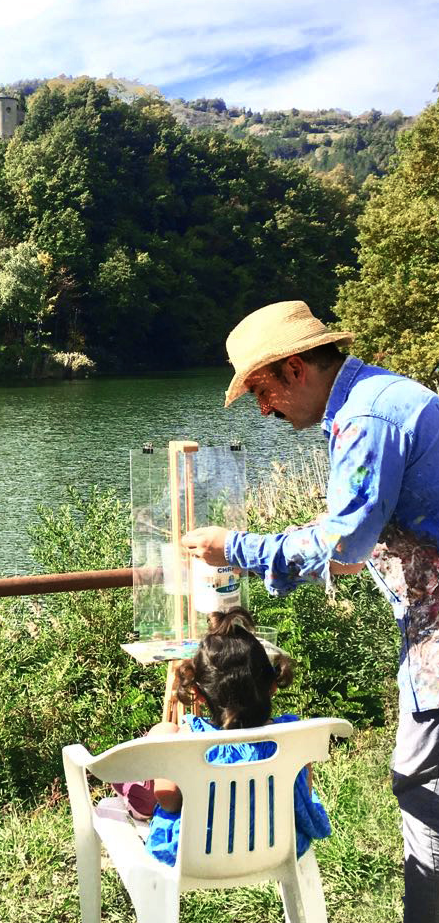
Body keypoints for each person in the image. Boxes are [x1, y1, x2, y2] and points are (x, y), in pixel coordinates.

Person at [181, 300, 439, 921]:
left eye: (263, 391)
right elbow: (360, 539)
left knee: (421, 786)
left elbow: (346, 540)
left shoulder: (366, 417)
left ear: (296, 369)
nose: (264, 410)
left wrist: (237, 548)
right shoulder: (377, 399)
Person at [142, 608, 331, 867]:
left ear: (197, 692)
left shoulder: (188, 741)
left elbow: (169, 801)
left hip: (199, 854)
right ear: (273, 685)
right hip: (279, 846)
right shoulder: (292, 734)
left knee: (161, 732)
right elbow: (303, 794)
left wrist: (162, 737)